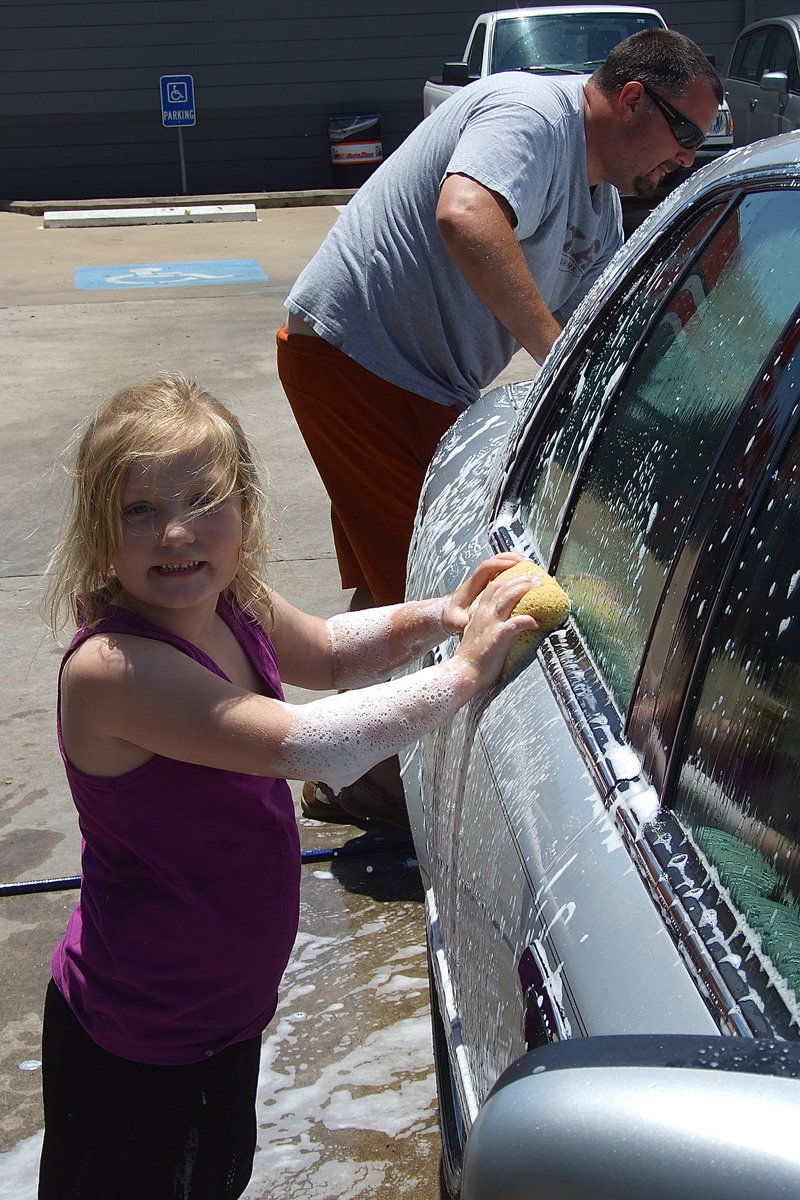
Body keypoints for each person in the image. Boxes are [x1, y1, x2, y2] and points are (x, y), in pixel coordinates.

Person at [37, 373, 539, 1200]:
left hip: (218, 1016)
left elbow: (335, 649)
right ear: (99, 537)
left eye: (204, 499)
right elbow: (304, 743)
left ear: (246, 512)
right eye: (139, 510)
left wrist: (440, 618)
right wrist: (464, 675)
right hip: (140, 1037)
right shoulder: (113, 670)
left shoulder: (235, 603)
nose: (176, 531)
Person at [277, 27, 723, 826]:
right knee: (432, 587)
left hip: (421, 381)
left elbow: (603, 325)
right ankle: (384, 782)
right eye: (684, 134)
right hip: (355, 359)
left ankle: (345, 768)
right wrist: (557, 358)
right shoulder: (531, 112)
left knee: (390, 571)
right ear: (631, 100)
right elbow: (465, 214)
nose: (686, 160)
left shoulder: (598, 203)